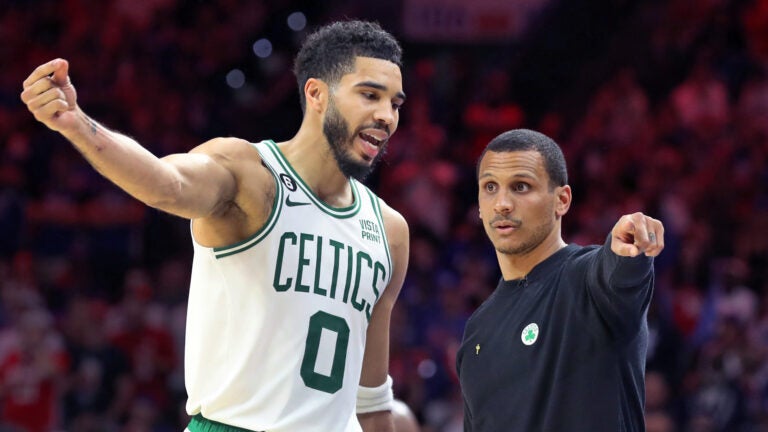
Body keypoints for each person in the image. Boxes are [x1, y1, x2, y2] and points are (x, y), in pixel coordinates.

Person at [21, 20, 409, 432]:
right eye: (369, 95)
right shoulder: (250, 174)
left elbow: (371, 399)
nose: (385, 116)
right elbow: (165, 184)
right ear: (316, 94)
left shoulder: (389, 230)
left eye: (396, 104)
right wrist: (77, 123)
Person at [456, 129, 664, 431]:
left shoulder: (589, 280)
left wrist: (627, 246)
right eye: (490, 187)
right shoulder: (477, 330)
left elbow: (618, 272)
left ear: (562, 200)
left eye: (520, 186)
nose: (502, 203)